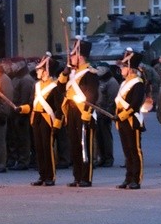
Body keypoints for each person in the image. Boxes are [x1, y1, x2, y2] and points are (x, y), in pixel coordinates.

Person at [16, 53, 64, 186]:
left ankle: (50, 176)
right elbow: (31, 104)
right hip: (36, 118)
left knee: (47, 148)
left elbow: (60, 108)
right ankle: (42, 175)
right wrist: (22, 109)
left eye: (40, 69)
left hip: (48, 119)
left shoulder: (55, 87)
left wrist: (57, 124)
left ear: (46, 71)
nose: (37, 71)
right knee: (38, 148)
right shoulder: (37, 86)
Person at [58, 36, 100, 187]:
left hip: (84, 112)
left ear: (80, 57)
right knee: (74, 145)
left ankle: (86, 177)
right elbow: (60, 89)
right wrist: (65, 72)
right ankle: (76, 176)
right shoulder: (71, 74)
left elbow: (92, 95)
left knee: (85, 146)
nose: (71, 57)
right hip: (71, 111)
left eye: (73, 55)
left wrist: (86, 114)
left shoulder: (90, 73)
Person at [115, 49, 146, 190]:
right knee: (127, 151)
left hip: (132, 120)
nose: (121, 69)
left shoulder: (138, 83)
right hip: (121, 120)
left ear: (130, 68)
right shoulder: (124, 83)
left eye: (123, 66)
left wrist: (121, 115)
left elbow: (135, 104)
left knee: (135, 150)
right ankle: (128, 178)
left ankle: (136, 179)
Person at [8, 57, 35, 170]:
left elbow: (26, 98)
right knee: (17, 138)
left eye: (12, 64)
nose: (11, 67)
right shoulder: (16, 78)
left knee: (24, 138)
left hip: (22, 113)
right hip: (14, 113)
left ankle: (24, 161)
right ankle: (19, 159)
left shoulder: (26, 79)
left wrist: (21, 112)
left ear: (18, 65)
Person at [94, 62, 119, 168]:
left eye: (100, 69)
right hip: (97, 112)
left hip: (105, 112)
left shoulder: (111, 82)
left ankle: (109, 158)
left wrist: (109, 111)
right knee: (98, 136)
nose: (98, 71)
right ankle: (102, 157)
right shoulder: (99, 80)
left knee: (106, 136)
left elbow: (113, 98)